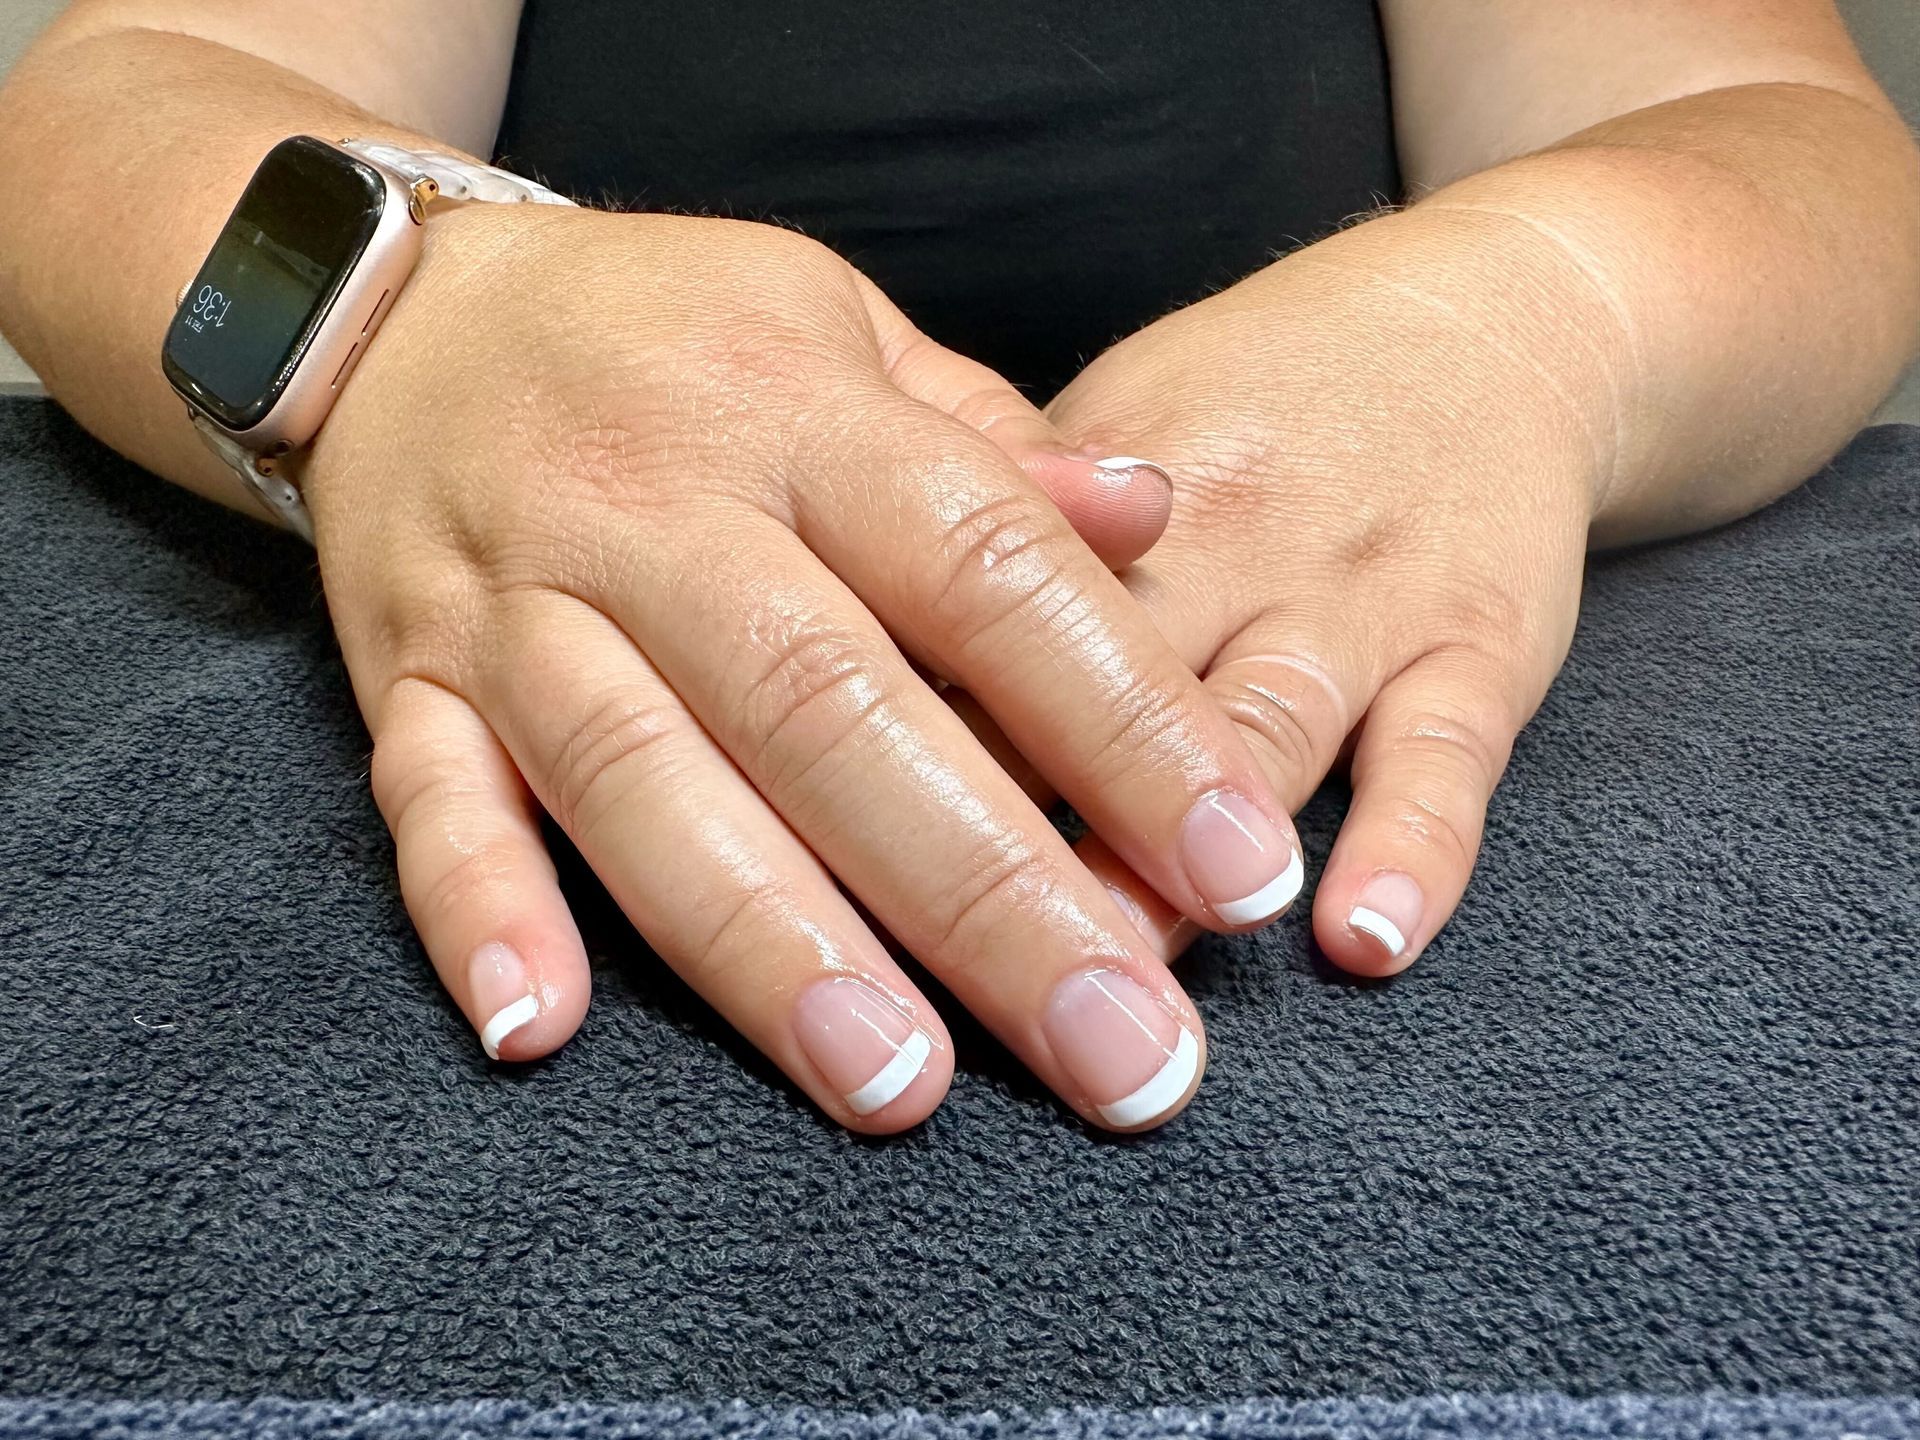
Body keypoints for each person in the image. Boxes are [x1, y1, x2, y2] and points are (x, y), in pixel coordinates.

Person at [0, 1, 1913, 1136]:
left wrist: (1531, 317)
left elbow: (1780, 136)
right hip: (542, 593)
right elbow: (133, 87)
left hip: (1324, 625)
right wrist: (421, 318)